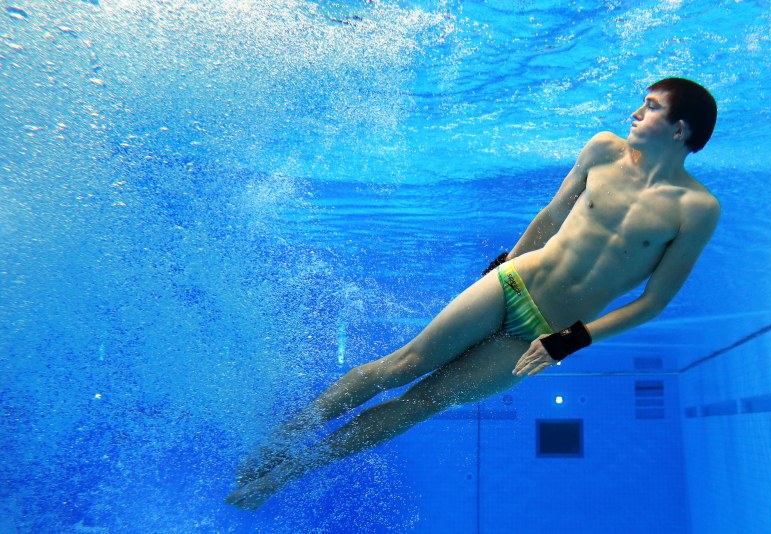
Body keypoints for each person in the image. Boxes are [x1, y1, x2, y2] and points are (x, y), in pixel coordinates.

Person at [225, 77, 720, 510]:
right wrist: (504, 264)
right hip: (513, 282)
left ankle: (288, 473)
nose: (635, 112)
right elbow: (551, 216)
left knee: (423, 403)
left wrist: (568, 341)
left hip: (543, 334)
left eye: (651, 107)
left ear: (679, 130)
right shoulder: (604, 149)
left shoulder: (696, 209)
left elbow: (653, 303)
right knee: (401, 366)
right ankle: (276, 443)